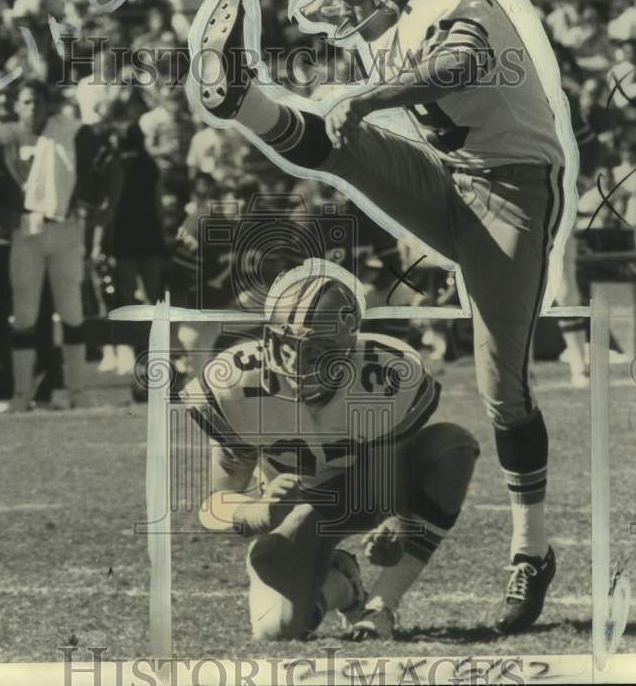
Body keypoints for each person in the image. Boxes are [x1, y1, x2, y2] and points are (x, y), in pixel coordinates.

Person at [189, 0, 574, 633]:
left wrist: (368, 94)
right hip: (456, 176)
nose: (351, 11)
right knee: (344, 146)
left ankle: (532, 548)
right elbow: (366, 103)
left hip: (515, 188)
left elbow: (464, 62)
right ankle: (244, 98)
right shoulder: (390, 21)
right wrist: (354, 99)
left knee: (502, 386)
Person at [179, 260, 480, 640]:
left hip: (363, 490)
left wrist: (396, 525)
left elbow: (388, 477)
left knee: (451, 446)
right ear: (268, 336)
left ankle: (382, 605)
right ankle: (341, 586)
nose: (296, 361)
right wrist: (258, 511)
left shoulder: (385, 375)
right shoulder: (237, 383)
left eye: (318, 349)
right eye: (286, 344)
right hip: (293, 511)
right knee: (276, 631)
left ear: (347, 347)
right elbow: (214, 506)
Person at [0, 79, 110, 412]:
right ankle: (21, 393)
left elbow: (105, 169)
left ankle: (77, 391)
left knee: (71, 309)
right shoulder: (0, 136)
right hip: (26, 232)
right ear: (16, 106)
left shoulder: (71, 133)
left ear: (49, 105)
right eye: (27, 102)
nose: (33, 109)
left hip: (64, 227)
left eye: (38, 102)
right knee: (25, 313)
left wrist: (94, 204)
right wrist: (11, 218)